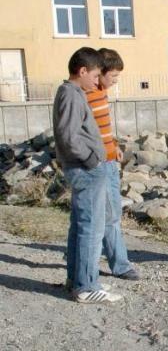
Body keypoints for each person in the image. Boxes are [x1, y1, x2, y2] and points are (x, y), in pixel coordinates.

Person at [53, 47, 122, 303]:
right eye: (94, 76)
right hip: (85, 169)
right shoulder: (71, 94)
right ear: (82, 71)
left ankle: (76, 279)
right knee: (91, 229)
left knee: (82, 226)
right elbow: (69, 137)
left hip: (84, 167)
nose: (97, 81)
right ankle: (86, 286)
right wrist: (94, 161)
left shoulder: (72, 92)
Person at [86, 48, 140, 281]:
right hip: (98, 163)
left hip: (108, 158)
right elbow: (87, 132)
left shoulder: (100, 93)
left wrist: (113, 144)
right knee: (109, 215)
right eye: (114, 76)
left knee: (104, 214)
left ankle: (85, 261)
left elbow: (102, 128)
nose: (115, 82)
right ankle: (120, 264)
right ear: (100, 72)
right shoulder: (88, 95)